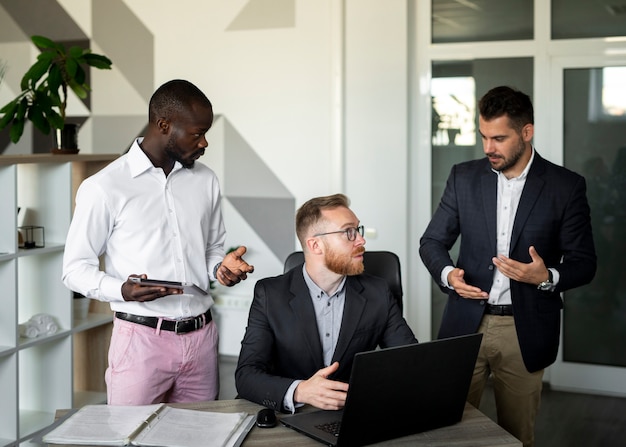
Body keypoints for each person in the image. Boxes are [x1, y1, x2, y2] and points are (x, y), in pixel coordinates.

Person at [419, 86, 596, 447]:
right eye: (483, 136)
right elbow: (432, 242)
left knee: (516, 437)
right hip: (464, 324)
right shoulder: (463, 177)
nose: (488, 148)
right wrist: (448, 275)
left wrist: (547, 277)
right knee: (446, 431)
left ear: (526, 132)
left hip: (524, 330)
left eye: (499, 138)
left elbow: (584, 263)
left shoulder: (565, 187)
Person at [62, 79, 254, 405]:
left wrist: (220, 269)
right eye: (197, 133)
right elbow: (74, 269)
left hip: (202, 340)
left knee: (200, 437)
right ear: (164, 125)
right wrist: (122, 290)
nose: (205, 142)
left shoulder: (205, 180)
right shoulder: (105, 187)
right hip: (140, 341)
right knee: (130, 438)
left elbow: (210, 250)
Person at [235, 193, 417, 413]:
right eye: (349, 232)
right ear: (315, 245)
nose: (361, 240)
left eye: (358, 230)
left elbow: (409, 361)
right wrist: (300, 390)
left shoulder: (378, 292)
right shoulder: (270, 294)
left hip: (352, 413)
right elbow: (247, 375)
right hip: (291, 416)